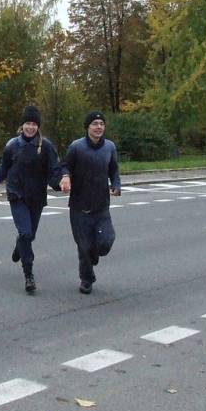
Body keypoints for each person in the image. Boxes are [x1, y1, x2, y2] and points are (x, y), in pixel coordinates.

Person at [0, 105, 61, 293]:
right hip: (17, 195)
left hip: (37, 197)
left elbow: (53, 171)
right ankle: (29, 275)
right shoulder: (12, 145)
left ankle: (20, 246)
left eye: (34, 124)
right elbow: (4, 168)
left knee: (29, 235)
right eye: (27, 123)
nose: (30, 127)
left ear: (38, 127)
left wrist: (59, 184)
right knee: (26, 233)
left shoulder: (46, 147)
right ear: (22, 125)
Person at [59, 111, 121, 295]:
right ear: (88, 127)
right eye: (95, 123)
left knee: (106, 241)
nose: (99, 127)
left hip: (101, 206)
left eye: (102, 123)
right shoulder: (76, 147)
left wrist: (116, 184)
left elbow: (114, 170)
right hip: (79, 207)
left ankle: (94, 253)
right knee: (83, 247)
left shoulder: (109, 147)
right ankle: (86, 279)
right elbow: (64, 165)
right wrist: (65, 177)